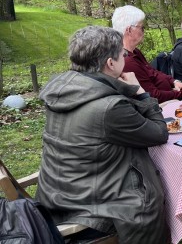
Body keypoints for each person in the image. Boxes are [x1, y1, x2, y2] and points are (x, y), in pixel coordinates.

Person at [36, 26, 170, 243]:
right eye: (122, 55)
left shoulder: (64, 91)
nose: (124, 58)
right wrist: (141, 94)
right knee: (148, 200)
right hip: (90, 210)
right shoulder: (109, 107)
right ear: (110, 63)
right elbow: (159, 133)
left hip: (56, 196)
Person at [112, 5, 182, 103]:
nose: (144, 31)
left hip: (171, 95)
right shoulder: (126, 61)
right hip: (163, 105)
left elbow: (154, 72)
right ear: (129, 30)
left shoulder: (135, 51)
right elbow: (153, 96)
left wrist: (174, 82)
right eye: (142, 28)